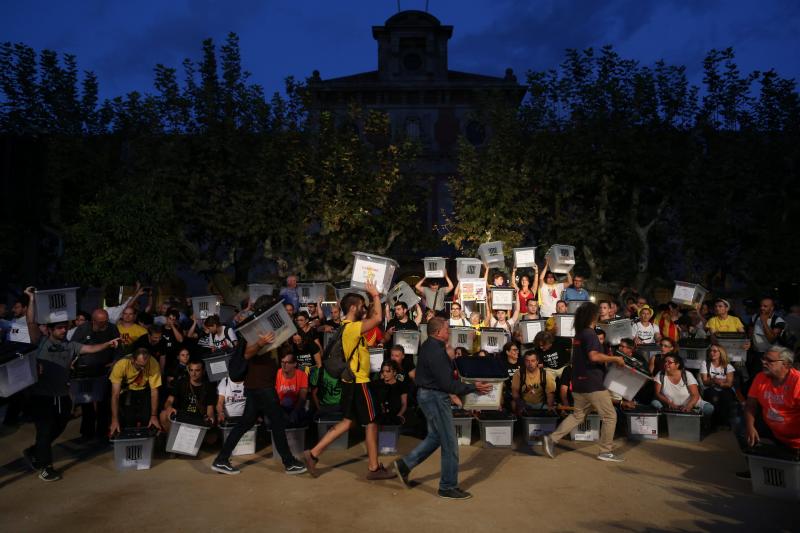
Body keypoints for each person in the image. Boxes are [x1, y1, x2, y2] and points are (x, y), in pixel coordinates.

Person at [302, 280, 395, 480]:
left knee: (347, 422)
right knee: (372, 423)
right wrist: (375, 295)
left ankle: (313, 454)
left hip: (350, 383)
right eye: (361, 306)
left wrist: (371, 300)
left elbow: (372, 317)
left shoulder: (348, 328)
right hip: (360, 382)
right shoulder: (352, 328)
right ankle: (374, 468)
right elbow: (378, 318)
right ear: (353, 308)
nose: (364, 310)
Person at [393, 316, 493, 499]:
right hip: (435, 397)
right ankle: (447, 486)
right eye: (447, 329)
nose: (449, 332)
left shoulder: (429, 346)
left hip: (429, 395)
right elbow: (449, 386)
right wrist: (473, 387)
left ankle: (405, 464)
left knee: (435, 437)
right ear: (438, 332)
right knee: (450, 443)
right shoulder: (437, 352)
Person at [22, 320, 119, 481]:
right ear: (50, 330)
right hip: (41, 396)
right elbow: (32, 323)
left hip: (62, 395)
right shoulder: (41, 342)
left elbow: (90, 349)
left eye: (65, 328)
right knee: (44, 431)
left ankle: (36, 450)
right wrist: (32, 299)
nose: (63, 330)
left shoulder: (71, 345)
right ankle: (45, 467)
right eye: (59, 328)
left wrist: (108, 344)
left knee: (59, 426)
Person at [542, 302, 626, 462]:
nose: (600, 313)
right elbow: (594, 356)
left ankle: (552, 439)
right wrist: (615, 358)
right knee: (610, 416)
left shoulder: (580, 334)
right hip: (592, 383)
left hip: (579, 383)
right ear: (592, 316)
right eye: (597, 312)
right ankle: (605, 451)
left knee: (578, 415)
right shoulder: (590, 334)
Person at [737, 345, 800, 479]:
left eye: (769, 361)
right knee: (739, 424)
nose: (763, 362)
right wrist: (750, 427)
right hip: (772, 429)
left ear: (786, 364)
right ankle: (755, 468)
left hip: (796, 437)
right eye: (763, 359)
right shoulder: (760, 377)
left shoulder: (797, 382)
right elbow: (750, 405)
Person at [70, 308, 121, 442]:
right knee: (86, 403)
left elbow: (119, 348)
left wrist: (115, 362)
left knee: (104, 403)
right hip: (85, 371)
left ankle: (102, 432)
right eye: (100, 322)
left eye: (105, 321)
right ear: (93, 321)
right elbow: (73, 346)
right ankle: (87, 433)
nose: (104, 324)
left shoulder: (112, 328)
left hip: (104, 371)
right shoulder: (83, 329)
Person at [109, 348, 163, 435]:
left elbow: (154, 391)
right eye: (140, 365)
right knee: (129, 419)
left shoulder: (152, 363)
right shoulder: (121, 365)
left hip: (145, 389)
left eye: (145, 365)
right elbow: (115, 395)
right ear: (132, 360)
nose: (142, 368)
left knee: (147, 418)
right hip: (128, 390)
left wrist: (154, 416)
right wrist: (114, 420)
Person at [160, 360, 216, 433]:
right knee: (163, 415)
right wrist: (169, 408)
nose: (193, 373)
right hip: (182, 416)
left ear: (203, 371)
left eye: (197, 370)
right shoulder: (181, 383)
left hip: (199, 418)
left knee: (212, 437)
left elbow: (210, 410)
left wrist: (210, 418)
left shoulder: (208, 387)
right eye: (191, 370)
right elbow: (169, 401)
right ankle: (174, 438)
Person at [699, 344, 736, 428]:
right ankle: (713, 422)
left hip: (724, 388)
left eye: (715, 351)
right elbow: (705, 382)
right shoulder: (705, 364)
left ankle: (724, 422)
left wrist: (716, 381)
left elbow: (729, 383)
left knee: (726, 397)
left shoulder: (728, 366)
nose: (712, 353)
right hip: (710, 388)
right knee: (713, 397)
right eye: (710, 351)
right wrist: (717, 380)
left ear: (721, 353)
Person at [511, 350, 556, 415]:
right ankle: (520, 422)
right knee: (513, 403)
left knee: (552, 410)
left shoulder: (546, 374)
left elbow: (550, 394)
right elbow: (515, 392)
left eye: (533, 361)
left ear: (537, 361)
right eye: (527, 361)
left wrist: (550, 406)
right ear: (524, 362)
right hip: (524, 403)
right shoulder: (519, 373)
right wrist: (521, 404)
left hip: (541, 404)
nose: (530, 363)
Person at [275, 351, 310, 425]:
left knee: (301, 416)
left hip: (296, 406)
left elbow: (302, 398)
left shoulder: (302, 375)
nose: (284, 365)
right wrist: (281, 412)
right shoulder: (277, 374)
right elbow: (273, 397)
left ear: (295, 364)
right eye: (282, 362)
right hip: (280, 407)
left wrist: (295, 412)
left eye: (288, 362)